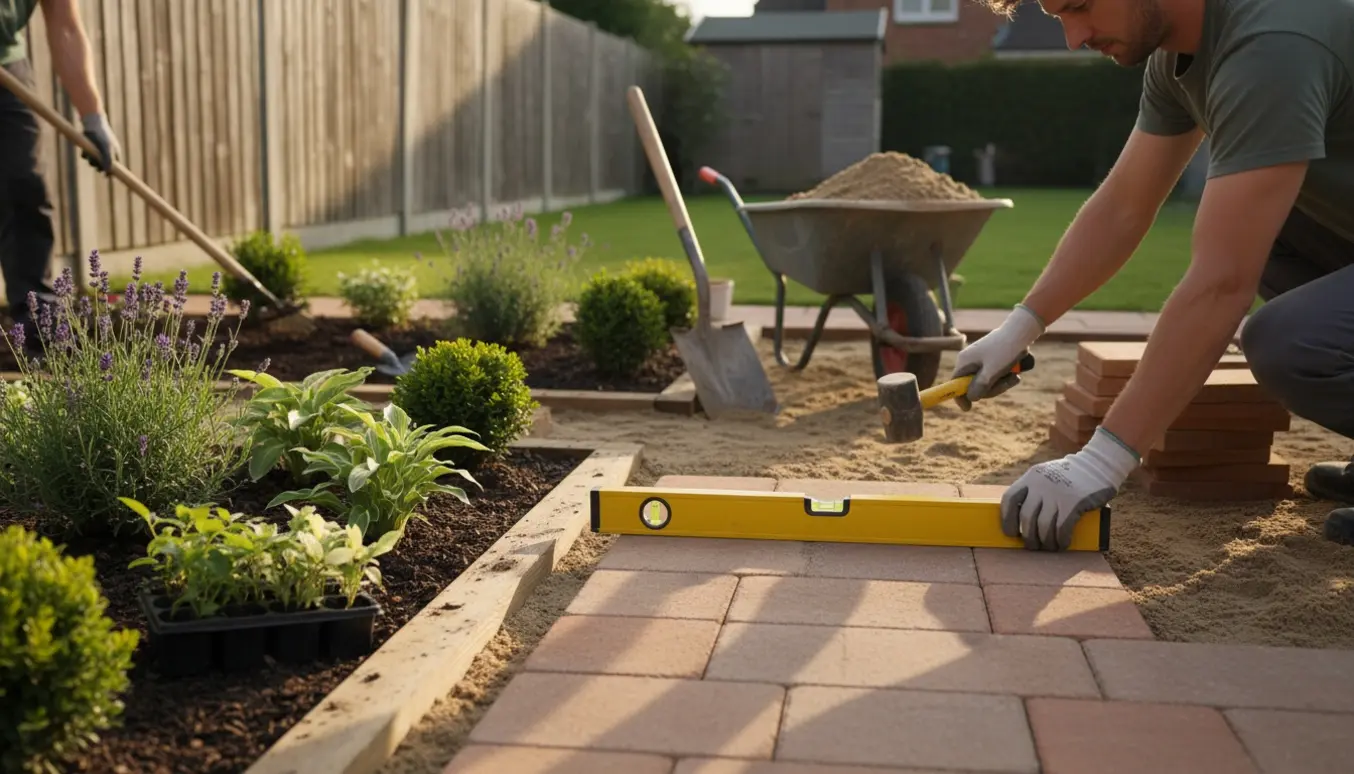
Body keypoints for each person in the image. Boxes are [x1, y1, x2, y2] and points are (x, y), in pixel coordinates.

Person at [956, 0, 1354, 550]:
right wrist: (1021, 327)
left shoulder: (1272, 42)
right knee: (1271, 230)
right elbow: (1123, 206)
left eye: (1079, 7)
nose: (1074, 38)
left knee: (1292, 343)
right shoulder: (1178, 58)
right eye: (1058, 18)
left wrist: (1102, 460)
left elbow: (1221, 283)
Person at [1, 0, 120, 341]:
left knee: (24, 185)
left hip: (6, 67)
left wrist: (93, 117)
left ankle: (38, 327)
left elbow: (65, 24)